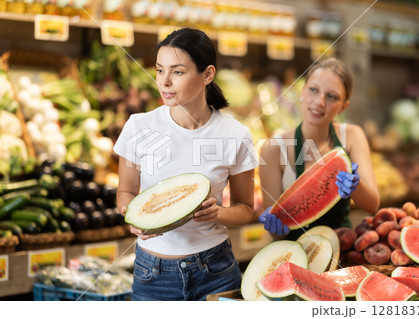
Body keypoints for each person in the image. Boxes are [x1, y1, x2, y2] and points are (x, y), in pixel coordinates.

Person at [113, 28, 258, 301]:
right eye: (159, 70)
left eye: (177, 72)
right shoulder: (139, 126)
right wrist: (130, 214)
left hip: (215, 270)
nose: (164, 82)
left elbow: (246, 209)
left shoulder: (236, 135)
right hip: (152, 273)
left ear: (207, 74)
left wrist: (218, 214)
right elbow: (126, 192)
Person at [258, 57, 380, 240]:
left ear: (343, 107)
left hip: (341, 249)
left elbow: (372, 205)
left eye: (332, 96)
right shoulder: (273, 149)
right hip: (294, 252)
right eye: (313, 90)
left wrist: (356, 186)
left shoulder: (352, 136)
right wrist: (275, 227)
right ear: (302, 92)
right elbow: (276, 235)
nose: (320, 102)